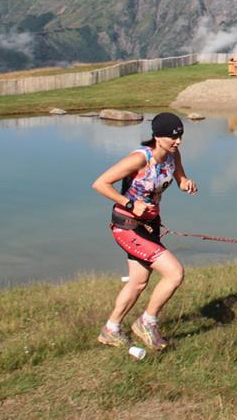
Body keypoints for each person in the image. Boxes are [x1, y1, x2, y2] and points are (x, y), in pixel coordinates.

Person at [91, 112, 198, 351]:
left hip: (150, 225)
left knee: (138, 282)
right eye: (173, 137)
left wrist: (185, 183)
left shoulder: (172, 155)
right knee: (174, 273)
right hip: (127, 227)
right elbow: (100, 183)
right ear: (157, 137)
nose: (178, 141)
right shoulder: (139, 159)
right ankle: (146, 322)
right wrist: (130, 204)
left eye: (180, 136)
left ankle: (110, 329)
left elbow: (179, 177)